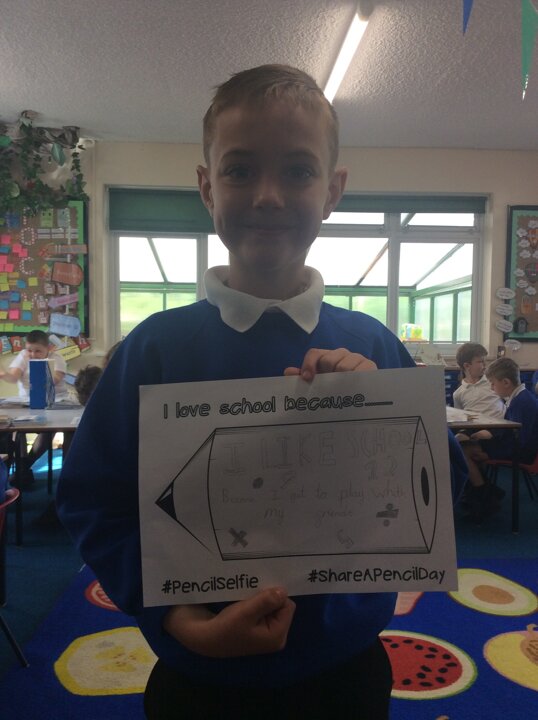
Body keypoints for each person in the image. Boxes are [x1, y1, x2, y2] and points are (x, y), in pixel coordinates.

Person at [57, 65, 466, 720]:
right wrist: (177, 620)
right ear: (207, 187)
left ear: (332, 191)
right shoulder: (153, 349)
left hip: (343, 669)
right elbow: (92, 499)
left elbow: (444, 491)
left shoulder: (374, 345)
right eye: (241, 170)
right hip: (199, 673)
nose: (269, 196)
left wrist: (384, 412)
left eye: (298, 171)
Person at [458, 357, 538, 523]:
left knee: (464, 450)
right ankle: (488, 491)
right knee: (467, 444)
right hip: (512, 446)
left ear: (506, 382)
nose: (492, 388)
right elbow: (511, 430)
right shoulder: (519, 398)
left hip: (520, 452)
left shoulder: (522, 402)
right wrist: (490, 434)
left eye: (493, 384)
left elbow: (519, 442)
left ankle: (484, 498)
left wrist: (489, 452)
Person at [0, 329, 68, 488]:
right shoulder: (23, 356)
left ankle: (23, 468)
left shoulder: (56, 358)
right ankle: (23, 471)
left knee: (48, 433)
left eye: (38, 351)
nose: (33, 354)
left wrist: (39, 372)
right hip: (26, 403)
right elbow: (13, 377)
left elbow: (55, 379)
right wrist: (3, 373)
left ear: (48, 349)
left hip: (55, 403)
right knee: (18, 431)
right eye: (29, 350)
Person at [452, 342, 505, 419]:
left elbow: (510, 401)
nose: (485, 364)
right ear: (467, 366)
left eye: (485, 361)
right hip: (475, 425)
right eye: (480, 361)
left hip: (498, 424)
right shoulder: (458, 394)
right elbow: (459, 418)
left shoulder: (493, 383)